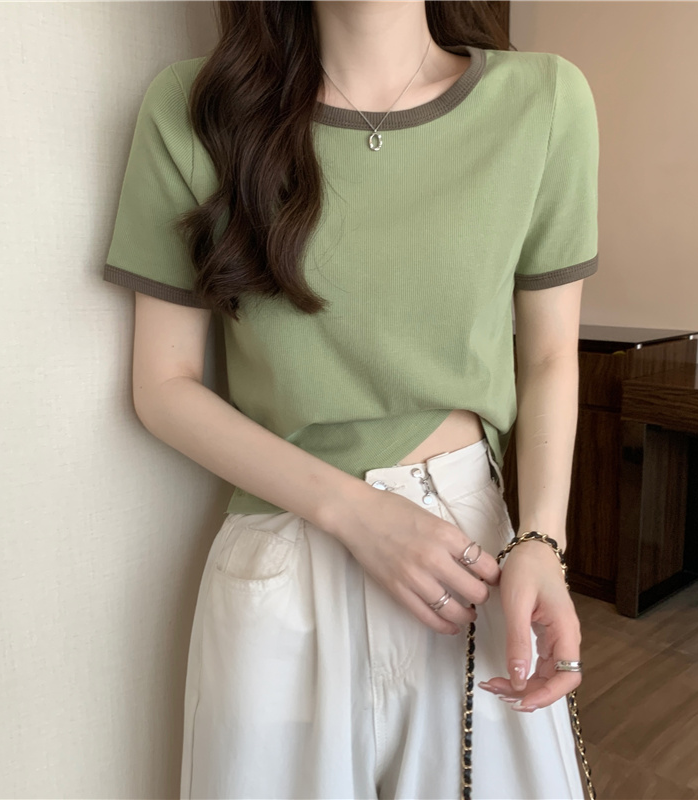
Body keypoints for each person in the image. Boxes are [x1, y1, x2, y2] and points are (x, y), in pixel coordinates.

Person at [102, 1, 599, 798]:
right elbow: (162, 386)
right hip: (285, 550)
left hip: (469, 555)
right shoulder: (196, 109)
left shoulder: (544, 101)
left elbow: (547, 357)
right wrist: (356, 513)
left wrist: (542, 539)